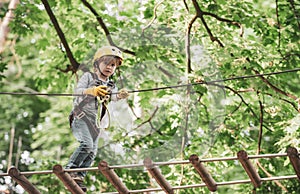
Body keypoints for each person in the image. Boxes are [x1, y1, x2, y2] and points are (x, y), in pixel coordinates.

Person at [66, 46, 129, 191]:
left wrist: (120, 95)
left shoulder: (111, 84)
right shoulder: (89, 77)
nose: (109, 67)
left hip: (94, 123)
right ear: (97, 64)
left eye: (113, 65)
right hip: (80, 117)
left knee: (92, 152)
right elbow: (77, 92)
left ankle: (79, 177)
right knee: (86, 145)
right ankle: (70, 170)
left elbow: (113, 97)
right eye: (106, 63)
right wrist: (91, 91)